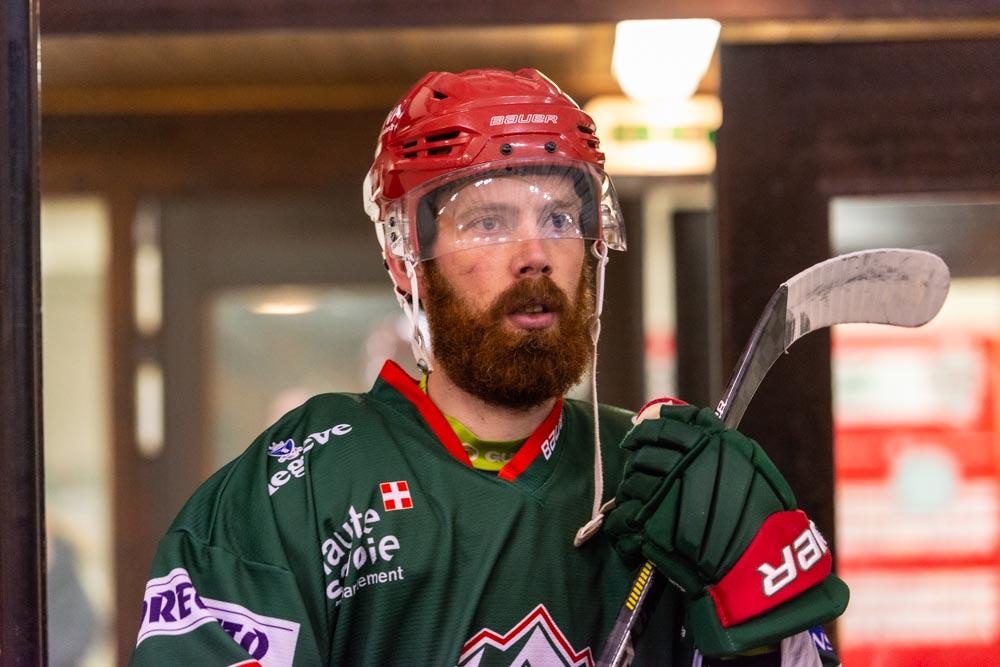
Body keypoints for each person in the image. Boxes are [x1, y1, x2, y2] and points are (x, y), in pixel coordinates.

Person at [129, 68, 848, 666]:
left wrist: (760, 599)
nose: (535, 254)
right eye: (487, 221)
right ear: (406, 262)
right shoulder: (299, 485)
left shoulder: (663, 477)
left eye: (560, 218)